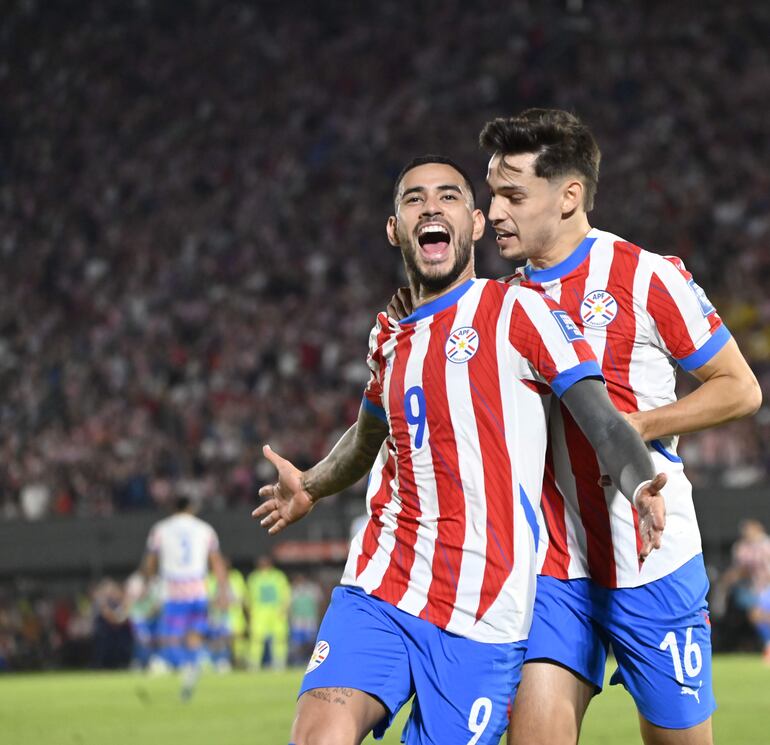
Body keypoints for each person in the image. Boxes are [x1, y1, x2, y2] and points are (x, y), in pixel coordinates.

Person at [254, 155, 666, 745]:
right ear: (395, 228)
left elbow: (602, 420)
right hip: (383, 582)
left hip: (483, 607)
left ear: (475, 224)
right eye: (414, 198)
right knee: (318, 737)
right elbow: (371, 434)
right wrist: (313, 483)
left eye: (448, 196)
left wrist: (639, 480)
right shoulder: (387, 337)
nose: (431, 206)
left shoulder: (519, 312)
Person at [475, 109, 762, 745]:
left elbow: (740, 389)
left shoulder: (646, 275)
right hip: (554, 566)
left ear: (569, 195)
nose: (493, 212)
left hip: (653, 558)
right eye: (492, 193)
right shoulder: (497, 304)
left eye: (513, 195)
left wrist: (631, 427)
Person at [142, 495, 227, 698]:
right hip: (197, 587)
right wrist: (222, 589)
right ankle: (194, 665)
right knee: (195, 635)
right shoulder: (205, 529)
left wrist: (149, 581)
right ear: (191, 507)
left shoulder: (160, 529)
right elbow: (216, 561)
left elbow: (150, 561)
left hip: (173, 588)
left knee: (171, 636)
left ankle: (176, 664)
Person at [246, 555, 291, 670]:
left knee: (279, 639)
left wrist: (284, 608)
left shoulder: (278, 576)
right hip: (259, 613)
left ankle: (279, 664)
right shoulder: (254, 577)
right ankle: (254, 664)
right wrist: (249, 612)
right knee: (256, 639)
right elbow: (248, 597)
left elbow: (286, 594)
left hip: (276, 613)